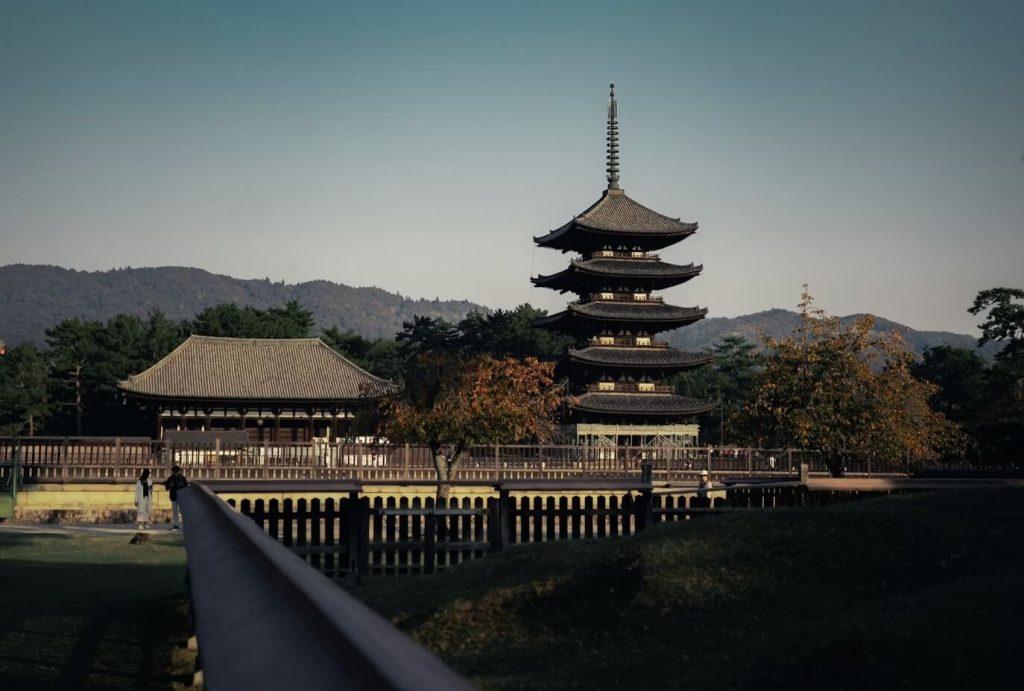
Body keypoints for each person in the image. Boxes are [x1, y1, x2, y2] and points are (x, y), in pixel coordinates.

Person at [164, 465, 189, 531]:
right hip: (174, 497)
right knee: (175, 512)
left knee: (182, 511)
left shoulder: (182, 478)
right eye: (174, 472)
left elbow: (186, 486)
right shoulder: (170, 478)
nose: (175, 473)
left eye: (176, 472)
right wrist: (167, 484)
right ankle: (176, 525)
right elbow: (167, 488)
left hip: (181, 497)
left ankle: (186, 525)